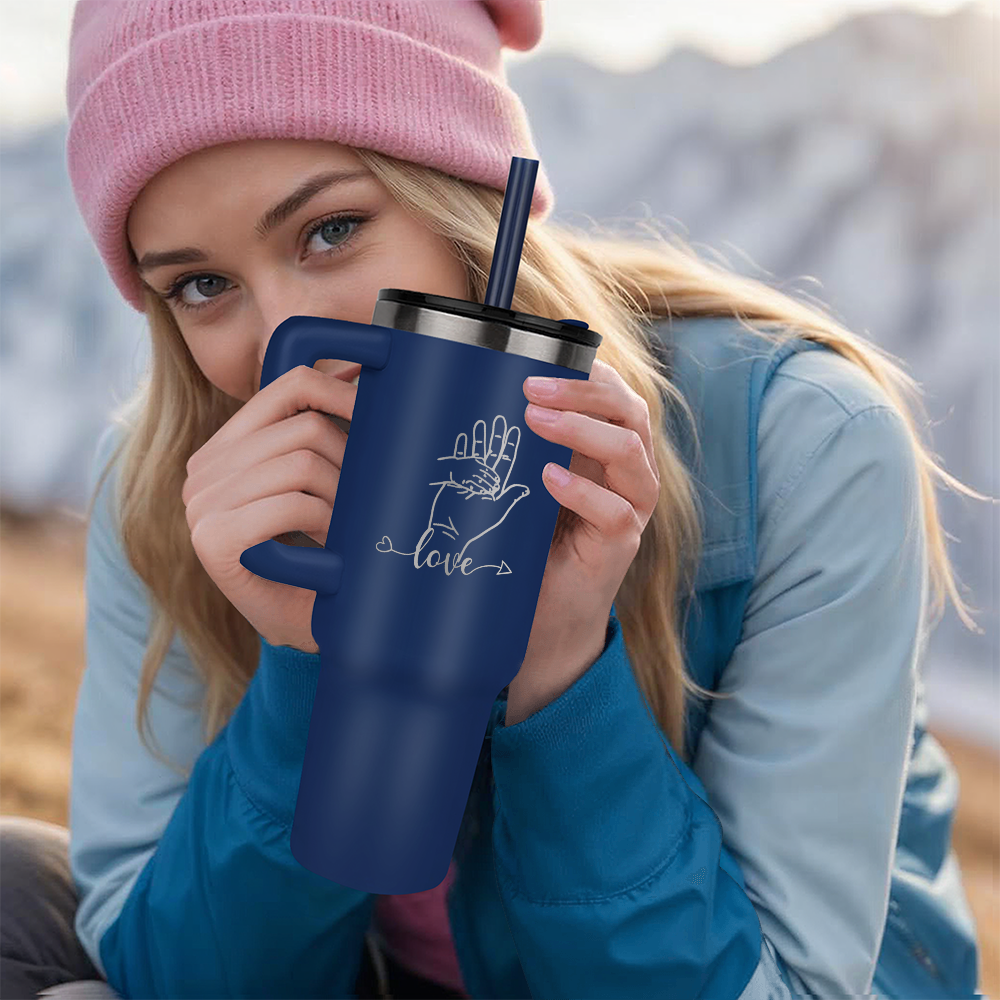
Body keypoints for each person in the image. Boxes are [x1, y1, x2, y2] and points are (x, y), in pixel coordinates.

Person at [0, 1, 989, 998]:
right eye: (203, 285)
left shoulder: (799, 443)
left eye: (332, 229)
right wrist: (309, 663)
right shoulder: (176, 483)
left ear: (466, 195)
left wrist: (560, 674)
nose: (283, 339)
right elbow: (179, 981)